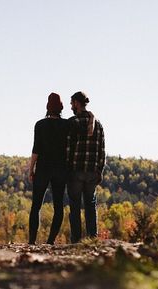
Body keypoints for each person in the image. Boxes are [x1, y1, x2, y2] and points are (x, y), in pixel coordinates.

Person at [28, 92, 70, 245]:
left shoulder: (40, 125)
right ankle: (50, 241)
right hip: (60, 170)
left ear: (47, 107)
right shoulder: (67, 125)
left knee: (36, 205)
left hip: (43, 169)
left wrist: (31, 169)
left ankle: (32, 241)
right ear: (61, 108)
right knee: (58, 206)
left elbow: (36, 149)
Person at [67, 91, 105, 243]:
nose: (71, 106)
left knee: (75, 206)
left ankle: (76, 240)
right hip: (91, 172)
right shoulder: (98, 125)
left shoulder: (73, 122)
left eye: (72, 103)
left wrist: (67, 169)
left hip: (76, 171)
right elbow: (102, 150)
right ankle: (92, 238)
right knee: (90, 205)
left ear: (77, 103)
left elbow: (68, 148)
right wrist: (99, 171)